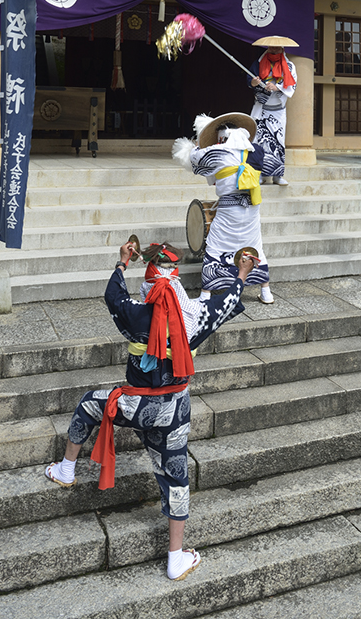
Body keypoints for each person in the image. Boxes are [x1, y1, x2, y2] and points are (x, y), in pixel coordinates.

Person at [45, 238, 257, 581]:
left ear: (149, 283)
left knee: (90, 404)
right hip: (174, 412)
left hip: (135, 404)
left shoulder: (134, 313)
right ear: (177, 283)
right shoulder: (197, 317)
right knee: (176, 478)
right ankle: (176, 558)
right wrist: (242, 273)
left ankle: (66, 470)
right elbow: (228, 298)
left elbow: (113, 295)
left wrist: (122, 263)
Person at [172, 112, 283, 305]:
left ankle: (206, 295)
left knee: (215, 246)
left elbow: (193, 159)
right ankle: (266, 293)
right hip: (252, 209)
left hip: (229, 210)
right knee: (255, 246)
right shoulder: (257, 151)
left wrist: (199, 145)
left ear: (223, 137)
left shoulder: (218, 152)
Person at [248, 43, 297, 185]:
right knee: (258, 142)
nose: (274, 50)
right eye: (272, 47)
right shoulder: (258, 63)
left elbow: (292, 85)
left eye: (277, 48)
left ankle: (277, 176)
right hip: (261, 109)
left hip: (278, 111)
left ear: (282, 49)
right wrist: (254, 82)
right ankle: (258, 175)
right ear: (267, 48)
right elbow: (249, 80)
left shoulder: (290, 66)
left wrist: (277, 87)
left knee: (278, 142)